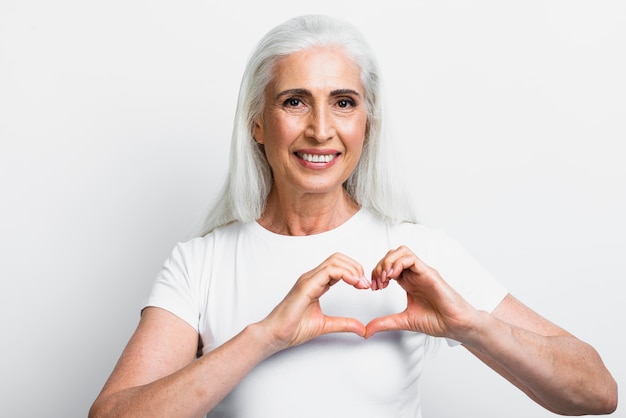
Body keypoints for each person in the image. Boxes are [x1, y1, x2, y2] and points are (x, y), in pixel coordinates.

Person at [89, 15, 617, 418]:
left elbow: (596, 392)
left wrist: (471, 326)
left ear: (367, 123)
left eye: (343, 102)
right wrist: (265, 336)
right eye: (295, 101)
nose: (321, 129)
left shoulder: (419, 255)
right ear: (256, 123)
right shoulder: (201, 262)